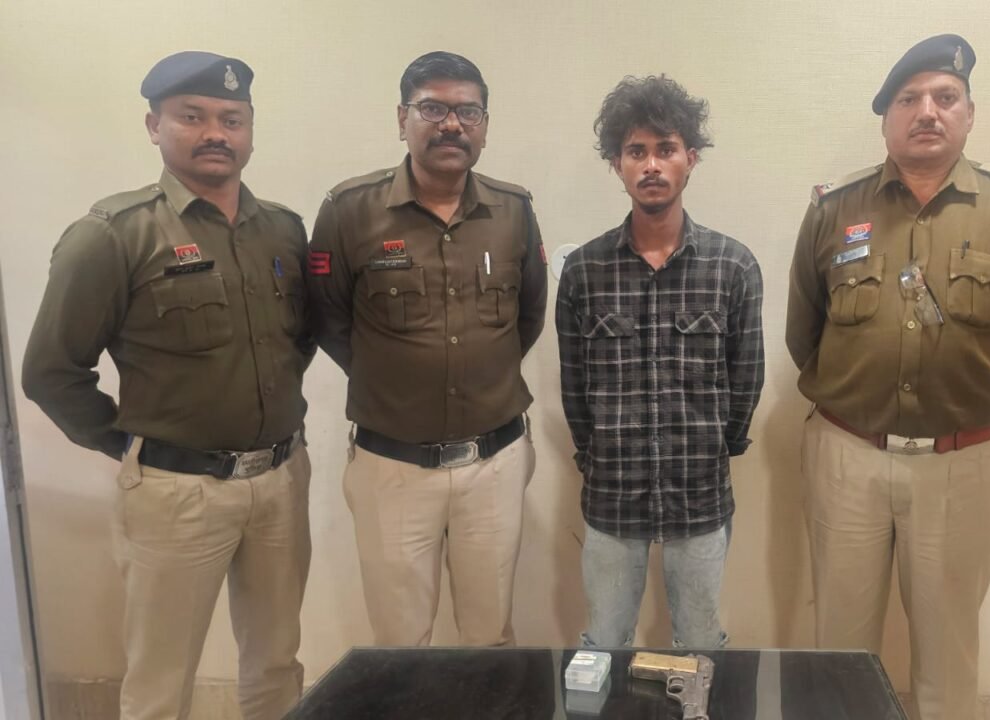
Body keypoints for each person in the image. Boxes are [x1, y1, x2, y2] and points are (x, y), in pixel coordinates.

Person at [22, 51, 313, 720]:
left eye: (232, 119)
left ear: (249, 131)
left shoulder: (283, 230)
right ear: (155, 126)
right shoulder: (113, 235)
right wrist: (128, 443)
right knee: (161, 681)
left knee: (277, 664)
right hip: (176, 494)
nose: (216, 133)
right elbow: (50, 371)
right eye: (193, 116)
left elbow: (296, 341)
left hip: (280, 481)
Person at [785, 34, 990, 720]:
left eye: (946, 97)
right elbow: (803, 334)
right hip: (847, 457)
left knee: (947, 657)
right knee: (840, 654)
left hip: (963, 465)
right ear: (887, 119)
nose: (928, 112)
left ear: (970, 113)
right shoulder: (832, 209)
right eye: (908, 99)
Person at [307, 51, 546, 647]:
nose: (452, 125)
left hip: (494, 463)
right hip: (393, 468)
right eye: (433, 109)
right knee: (400, 645)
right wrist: (396, 379)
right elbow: (327, 318)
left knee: (490, 638)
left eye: (468, 112)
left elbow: (528, 317)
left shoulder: (514, 211)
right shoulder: (348, 210)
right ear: (402, 119)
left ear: (484, 125)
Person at [557, 75, 764, 648]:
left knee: (699, 643)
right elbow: (574, 388)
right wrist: (594, 454)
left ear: (690, 158)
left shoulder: (732, 266)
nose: (651, 164)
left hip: (699, 494)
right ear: (617, 164)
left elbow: (746, 378)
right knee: (605, 640)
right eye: (636, 151)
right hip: (612, 492)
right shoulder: (584, 271)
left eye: (666, 148)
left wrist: (719, 447)